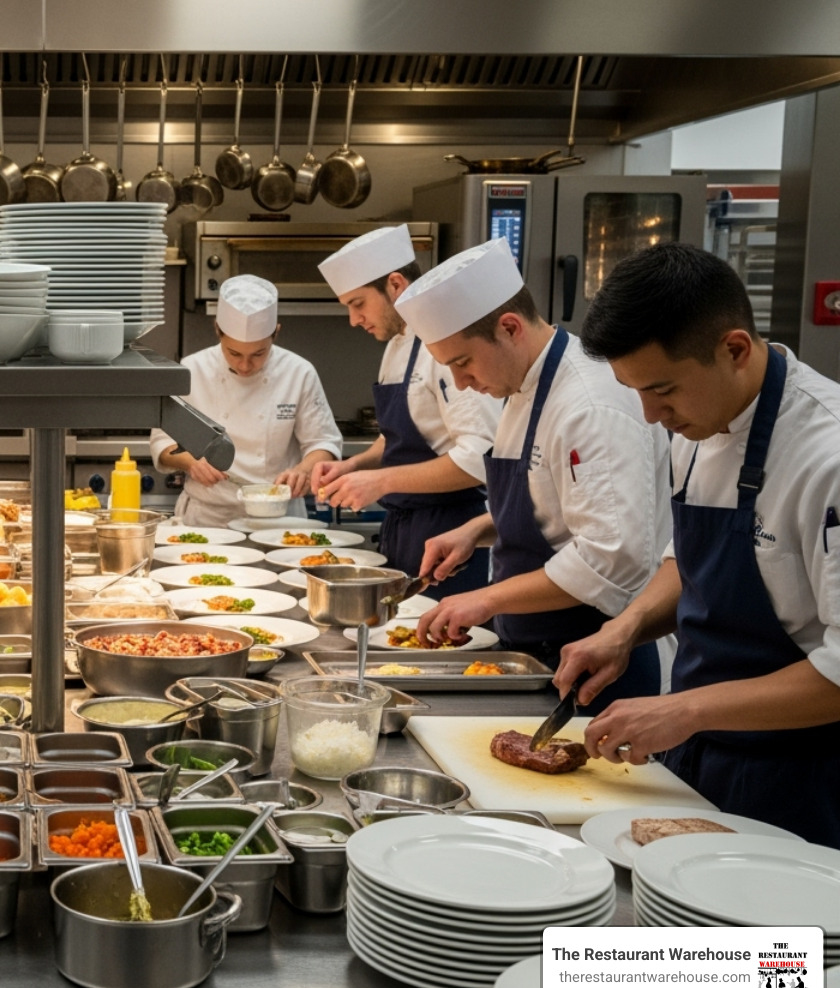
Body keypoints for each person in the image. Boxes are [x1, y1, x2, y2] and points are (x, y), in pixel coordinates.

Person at [552, 244, 840, 846]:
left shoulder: (827, 456)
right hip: (696, 757)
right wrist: (625, 630)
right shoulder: (698, 419)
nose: (651, 416)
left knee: (766, 945)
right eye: (634, 392)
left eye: (662, 390)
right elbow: (689, 559)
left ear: (733, 349)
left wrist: (684, 709)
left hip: (803, 781)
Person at [393, 238, 671, 705]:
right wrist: (476, 529)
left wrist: (488, 599)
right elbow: (551, 502)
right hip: (540, 651)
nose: (460, 382)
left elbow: (611, 558)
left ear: (509, 328)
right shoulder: (525, 386)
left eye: (462, 362)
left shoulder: (590, 404)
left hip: (596, 664)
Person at [312, 225, 499, 596]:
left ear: (395, 284)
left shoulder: (444, 344)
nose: (354, 320)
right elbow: (397, 436)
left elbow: (480, 456)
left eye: (358, 303)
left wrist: (381, 481)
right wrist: (354, 466)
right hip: (405, 529)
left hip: (452, 536)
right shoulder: (396, 344)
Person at [149, 275, 341, 526]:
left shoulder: (299, 373)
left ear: (276, 333)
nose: (245, 365)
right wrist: (190, 462)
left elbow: (323, 443)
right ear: (218, 330)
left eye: (259, 353)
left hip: (279, 522)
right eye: (234, 353)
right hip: (208, 520)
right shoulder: (192, 370)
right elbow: (162, 442)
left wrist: (303, 471)